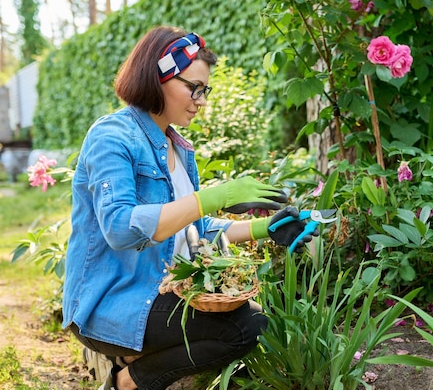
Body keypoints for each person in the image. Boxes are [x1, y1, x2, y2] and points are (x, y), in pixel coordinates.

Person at [62, 26, 315, 390]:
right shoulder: (111, 137)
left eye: (204, 89)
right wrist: (213, 195)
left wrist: (264, 229)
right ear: (157, 78)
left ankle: (133, 370)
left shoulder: (177, 147)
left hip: (161, 292)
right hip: (113, 302)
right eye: (193, 87)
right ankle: (127, 382)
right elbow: (119, 228)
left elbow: (191, 225)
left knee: (251, 321)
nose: (201, 100)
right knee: (245, 327)